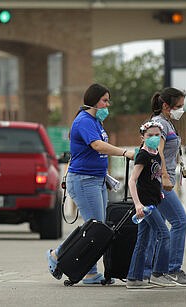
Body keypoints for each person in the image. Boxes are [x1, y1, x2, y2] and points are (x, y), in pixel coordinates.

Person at [47, 83, 135, 285]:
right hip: (84, 180)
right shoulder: (84, 121)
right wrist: (124, 152)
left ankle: (87, 270)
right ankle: (58, 255)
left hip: (96, 180)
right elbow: (97, 145)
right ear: (93, 101)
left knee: (97, 226)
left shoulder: (95, 122)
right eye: (104, 100)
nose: (107, 104)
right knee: (96, 228)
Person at [144, 87, 186, 286]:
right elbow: (157, 152)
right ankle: (172, 269)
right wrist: (164, 176)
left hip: (160, 183)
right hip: (158, 183)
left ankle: (151, 270)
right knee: (180, 222)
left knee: (156, 230)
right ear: (166, 106)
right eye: (178, 106)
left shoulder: (167, 123)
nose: (181, 110)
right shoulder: (159, 124)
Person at [126, 121, 175, 289]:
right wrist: (138, 204)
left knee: (144, 240)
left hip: (154, 201)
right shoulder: (143, 155)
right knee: (164, 234)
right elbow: (132, 181)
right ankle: (158, 274)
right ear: (143, 137)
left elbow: (154, 178)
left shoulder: (155, 154)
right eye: (149, 135)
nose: (153, 138)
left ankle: (134, 278)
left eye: (156, 135)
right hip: (145, 206)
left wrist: (159, 192)